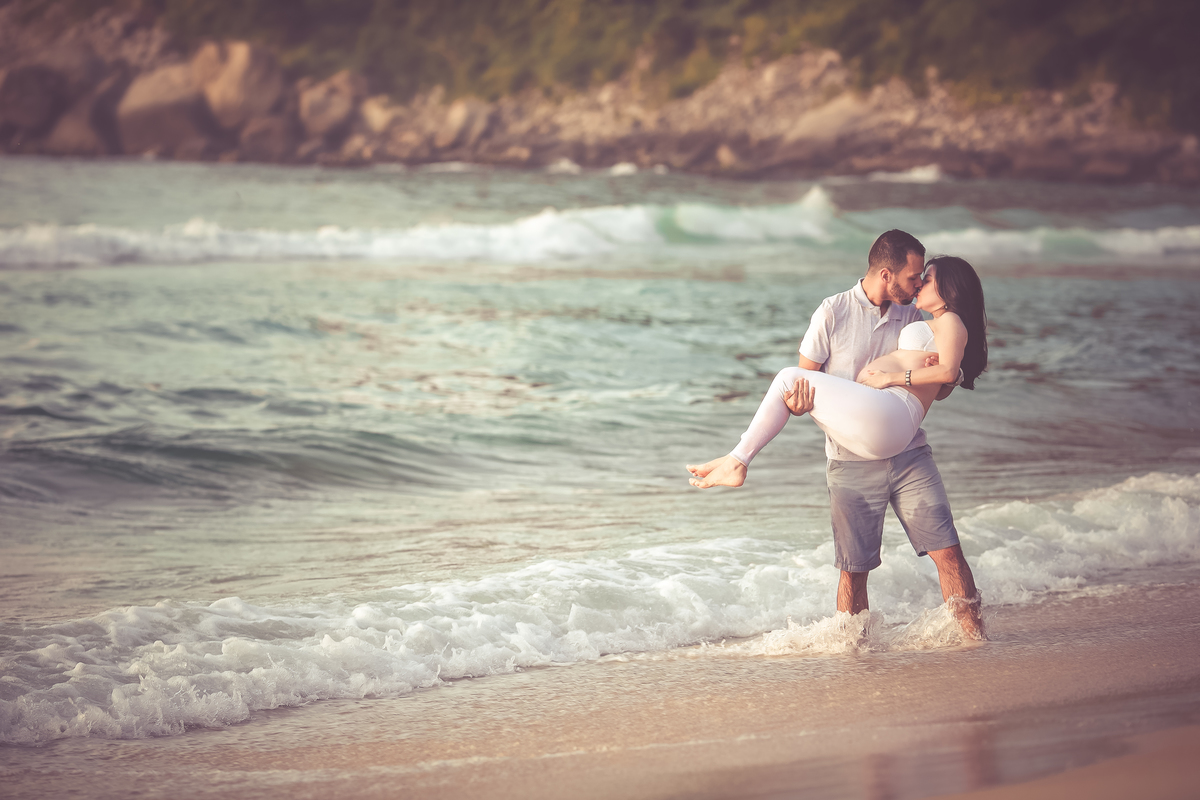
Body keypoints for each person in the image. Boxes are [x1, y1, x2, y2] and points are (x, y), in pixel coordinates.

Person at [687, 230, 987, 638]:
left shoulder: (916, 313)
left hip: (908, 453)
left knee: (948, 552)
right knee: (853, 570)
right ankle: (852, 653)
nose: (918, 284)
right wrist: (797, 403)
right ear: (887, 274)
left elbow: (943, 376)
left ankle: (976, 640)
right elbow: (804, 388)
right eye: (914, 276)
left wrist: (906, 378)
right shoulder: (832, 312)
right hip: (850, 456)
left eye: (924, 278)